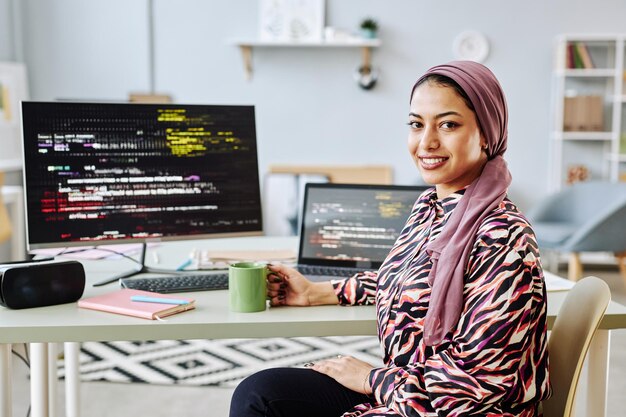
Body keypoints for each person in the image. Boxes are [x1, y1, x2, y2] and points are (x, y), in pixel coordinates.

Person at [229, 60, 552, 417]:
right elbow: (408, 279)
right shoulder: (431, 206)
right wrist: (316, 292)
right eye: (416, 124)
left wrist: (372, 380)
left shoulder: (503, 238)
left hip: (455, 408)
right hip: (409, 391)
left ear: (488, 134)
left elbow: (478, 384)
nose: (426, 142)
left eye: (448, 124)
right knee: (259, 393)